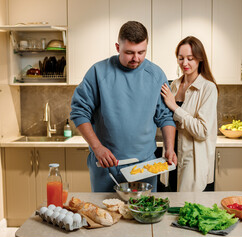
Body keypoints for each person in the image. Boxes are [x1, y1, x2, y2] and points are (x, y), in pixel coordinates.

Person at [70, 21, 177, 192]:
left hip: (145, 167)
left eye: (141, 52)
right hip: (106, 164)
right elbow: (79, 112)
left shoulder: (156, 75)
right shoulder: (98, 72)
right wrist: (97, 147)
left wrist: (169, 148)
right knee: (105, 216)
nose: (136, 58)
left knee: (144, 216)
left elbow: (165, 116)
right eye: (129, 52)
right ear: (117, 47)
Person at [160, 36, 218, 192]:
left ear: (200, 59)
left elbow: (202, 131)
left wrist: (175, 107)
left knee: (187, 207)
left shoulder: (208, 88)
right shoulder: (174, 85)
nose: (184, 63)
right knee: (170, 205)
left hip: (193, 161)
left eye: (190, 59)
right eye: (181, 58)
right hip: (171, 155)